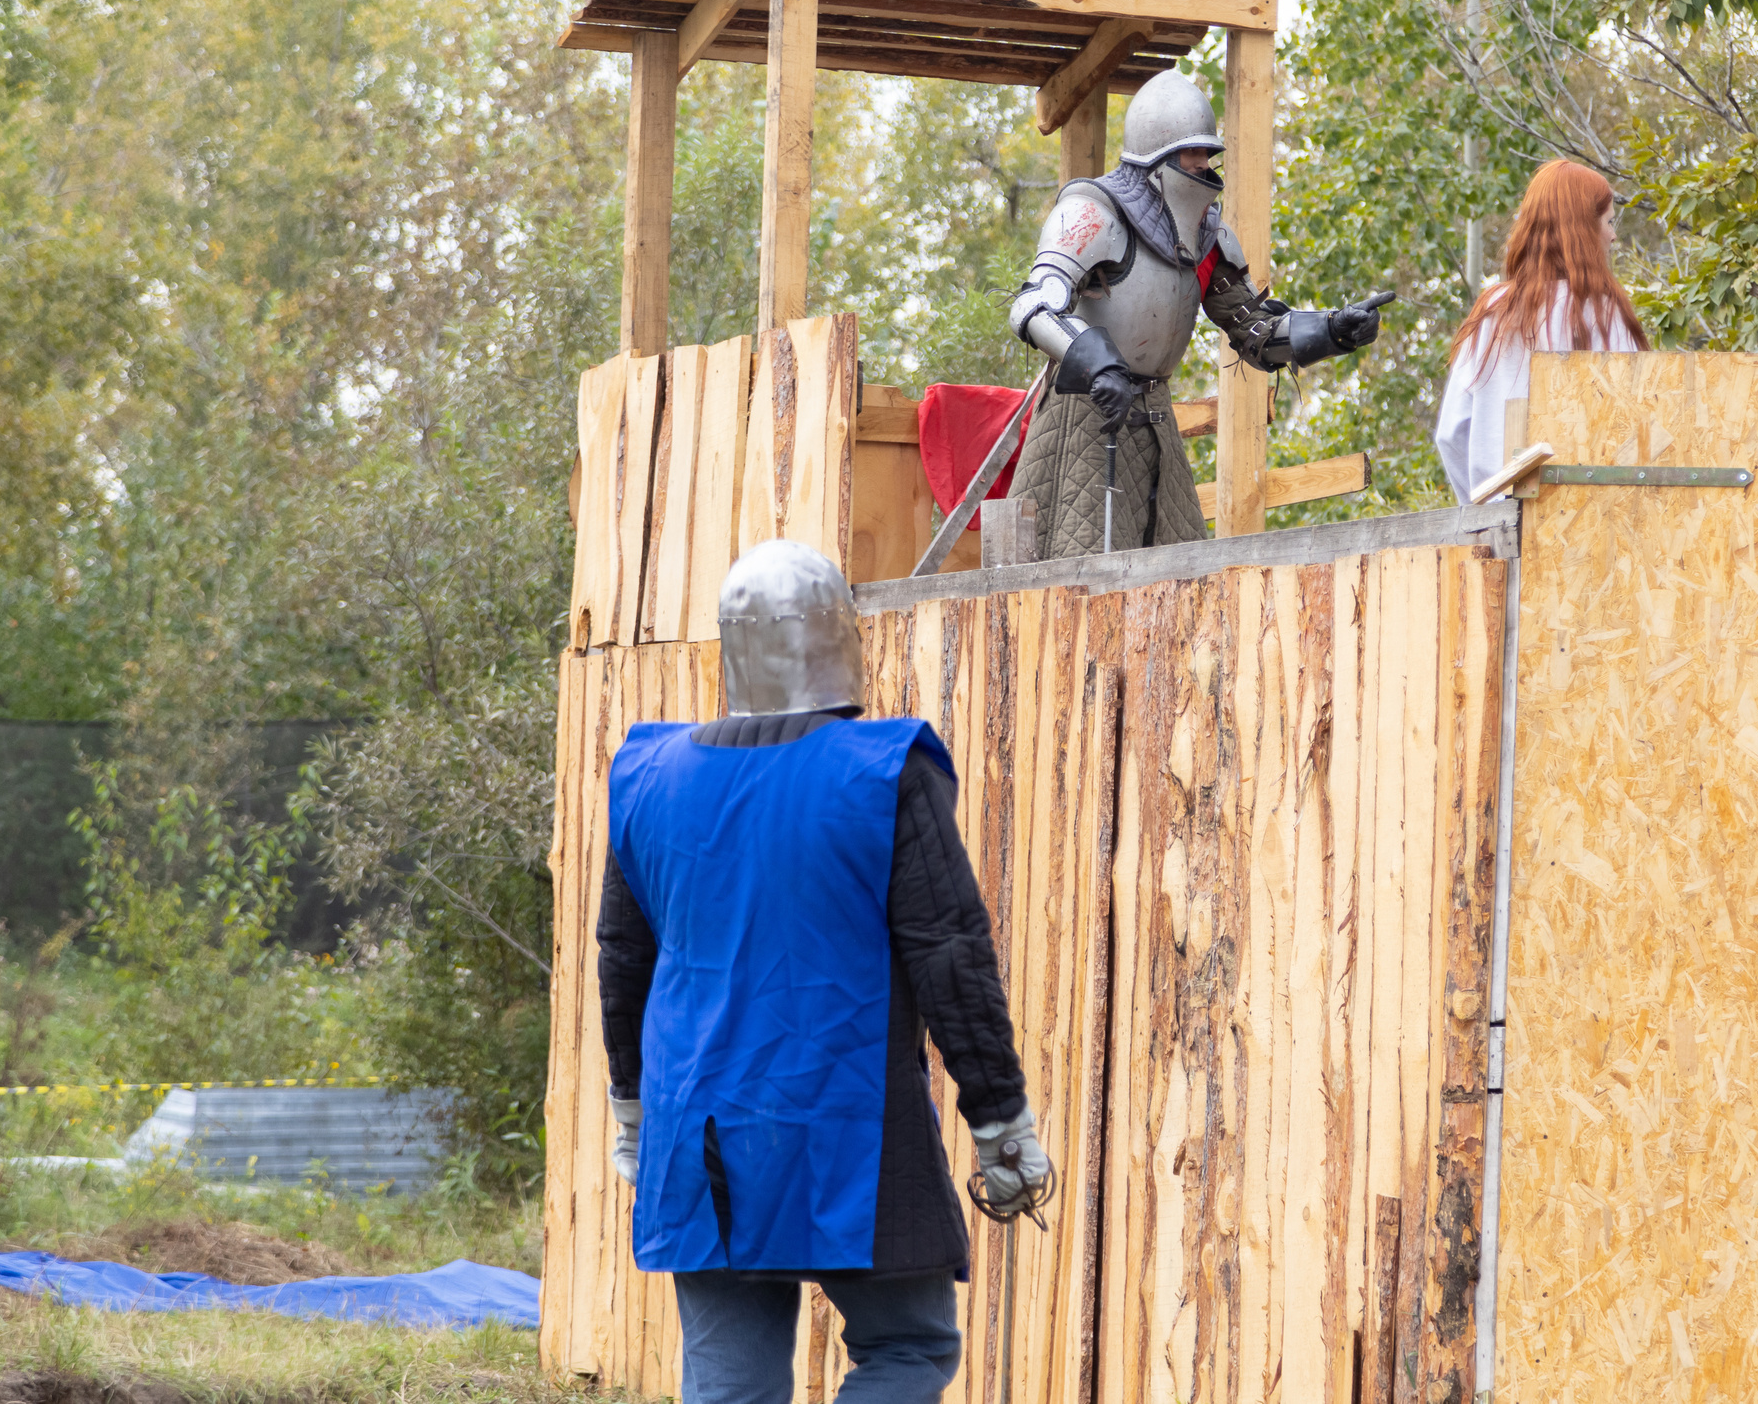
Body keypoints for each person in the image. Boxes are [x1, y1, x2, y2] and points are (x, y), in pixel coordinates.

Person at [595, 540, 1050, 1404]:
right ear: (841, 637)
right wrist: (1000, 1121)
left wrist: (631, 1110)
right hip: (848, 1124)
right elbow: (950, 951)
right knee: (908, 1347)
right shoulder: (882, 771)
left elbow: (624, 961)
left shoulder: (649, 777)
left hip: (701, 1131)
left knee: (731, 1388)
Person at [1007, 68, 1390, 559]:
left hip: (1156, 417)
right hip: (1086, 413)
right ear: (1158, 150)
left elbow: (1256, 331)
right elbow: (1035, 304)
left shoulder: (1207, 235)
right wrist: (1094, 360)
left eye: (1208, 152)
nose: (1203, 162)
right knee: (1075, 578)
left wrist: (1335, 329)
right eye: (1192, 151)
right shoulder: (1094, 210)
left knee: (1178, 574)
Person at [1436, 160, 1650, 503]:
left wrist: (1480, 509)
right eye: (1609, 222)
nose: (1613, 235)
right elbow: (1638, 422)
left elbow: (1451, 434)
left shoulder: (1493, 312)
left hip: (1499, 532)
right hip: (1591, 525)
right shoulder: (1604, 313)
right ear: (1583, 229)